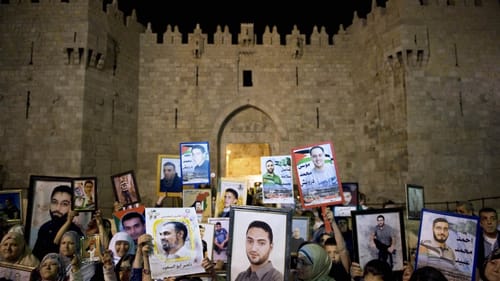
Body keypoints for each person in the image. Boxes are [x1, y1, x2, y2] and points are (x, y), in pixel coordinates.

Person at [32, 185, 84, 261]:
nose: (57, 208)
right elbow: (35, 257)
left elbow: (88, 258)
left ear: (72, 207)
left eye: (64, 204)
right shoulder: (45, 227)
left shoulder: (75, 231)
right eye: (54, 202)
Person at [477, 207, 500, 281]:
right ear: (480, 223)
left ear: (498, 222)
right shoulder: (475, 242)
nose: (489, 222)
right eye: (485, 219)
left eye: (493, 218)